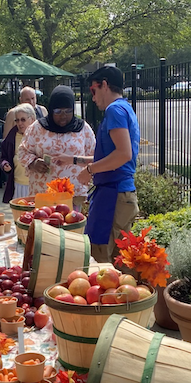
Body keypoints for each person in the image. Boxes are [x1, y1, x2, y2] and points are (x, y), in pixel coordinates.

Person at [78, 66, 140, 263]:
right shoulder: (124, 108)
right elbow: (117, 156)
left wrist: (90, 170)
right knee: (118, 263)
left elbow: (123, 154)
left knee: (103, 263)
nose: (93, 98)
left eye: (93, 91)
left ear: (104, 84)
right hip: (116, 194)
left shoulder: (114, 110)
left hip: (114, 195)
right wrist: (76, 160)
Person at [17, 85, 96, 211]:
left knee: (70, 227)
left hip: (73, 194)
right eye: (58, 112)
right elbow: (22, 152)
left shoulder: (83, 129)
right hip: (43, 194)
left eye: (68, 111)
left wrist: (78, 162)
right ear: (51, 109)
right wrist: (33, 163)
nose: (63, 116)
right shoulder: (37, 128)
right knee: (44, 228)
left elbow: (95, 157)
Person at [0, 103, 35, 203]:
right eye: (17, 120)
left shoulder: (40, 136)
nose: (20, 123)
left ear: (32, 119)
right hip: (18, 184)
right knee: (20, 216)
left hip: (36, 185)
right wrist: (5, 164)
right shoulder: (11, 137)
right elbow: (3, 157)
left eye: (23, 119)